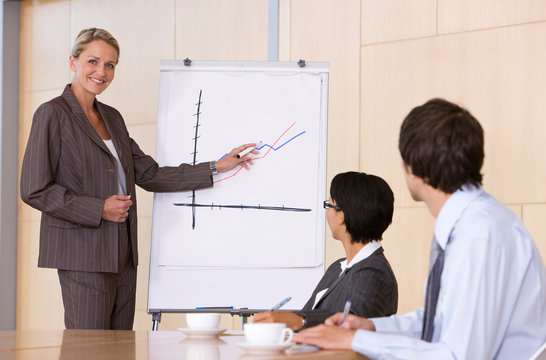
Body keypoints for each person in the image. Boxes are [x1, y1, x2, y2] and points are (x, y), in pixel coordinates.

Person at [20, 28, 257, 330]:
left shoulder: (112, 117)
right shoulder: (52, 114)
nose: (101, 72)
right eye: (93, 61)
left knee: (119, 349)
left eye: (110, 65)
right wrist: (99, 208)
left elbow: (150, 174)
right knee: (90, 350)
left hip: (123, 255)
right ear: (73, 61)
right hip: (84, 256)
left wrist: (216, 167)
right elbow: (34, 189)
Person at [294, 98, 546, 359]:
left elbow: (457, 356)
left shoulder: (479, 235)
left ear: (412, 167)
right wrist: (371, 327)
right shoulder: (472, 223)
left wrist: (358, 340)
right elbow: (440, 321)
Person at [253, 171, 398, 331]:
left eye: (329, 205)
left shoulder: (374, 271)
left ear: (341, 216)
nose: (327, 212)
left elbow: (353, 325)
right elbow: (309, 314)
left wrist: (299, 321)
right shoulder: (338, 267)